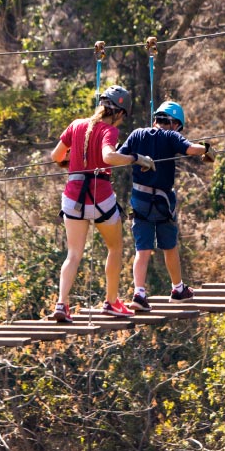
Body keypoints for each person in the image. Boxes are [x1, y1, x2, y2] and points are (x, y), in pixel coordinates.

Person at [50, 85, 156, 322]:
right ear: (119, 113)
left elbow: (56, 156)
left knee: (73, 254)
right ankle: (111, 302)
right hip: (100, 199)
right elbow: (109, 156)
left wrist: (75, 161)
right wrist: (136, 159)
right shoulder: (109, 131)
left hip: (73, 198)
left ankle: (61, 304)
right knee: (115, 248)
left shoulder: (76, 124)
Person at [116, 100, 214, 311]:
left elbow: (120, 156)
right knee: (169, 246)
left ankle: (139, 293)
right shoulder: (171, 135)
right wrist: (207, 148)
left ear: (156, 119)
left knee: (142, 250)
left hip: (139, 201)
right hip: (162, 202)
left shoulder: (136, 134)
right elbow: (190, 149)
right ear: (174, 123)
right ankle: (178, 289)